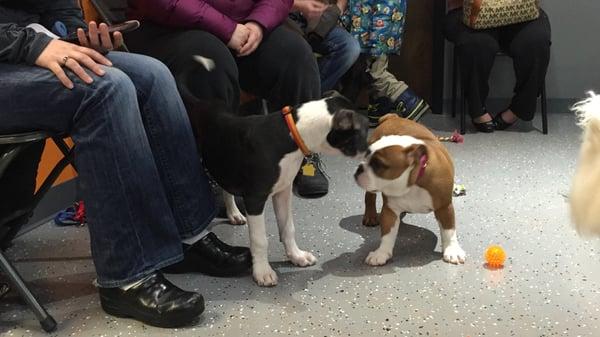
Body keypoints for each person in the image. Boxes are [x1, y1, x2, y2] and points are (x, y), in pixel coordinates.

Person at [0, 0, 252, 328]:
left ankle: (186, 236)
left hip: (31, 52)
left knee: (152, 75)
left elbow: (60, 10)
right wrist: (33, 46)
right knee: (105, 89)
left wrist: (79, 37)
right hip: (15, 55)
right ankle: (126, 274)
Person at [126, 0, 330, 199]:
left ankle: (305, 155)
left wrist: (258, 23)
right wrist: (226, 29)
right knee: (210, 63)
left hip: (244, 23)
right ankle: (216, 169)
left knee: (296, 55)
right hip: (168, 27)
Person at [444, 0, 551, 133]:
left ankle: (520, 108)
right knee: (476, 44)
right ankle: (477, 109)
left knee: (537, 40)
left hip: (521, 12)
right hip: (468, 11)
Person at [342, 0, 430, 126]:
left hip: (377, 17)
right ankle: (379, 107)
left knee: (374, 71)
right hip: (375, 16)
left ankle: (409, 101)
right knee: (367, 63)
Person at [289, 0, 361, 93]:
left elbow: (338, 5)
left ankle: (311, 93)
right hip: (285, 15)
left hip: (320, 18)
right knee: (296, 46)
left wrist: (338, 9)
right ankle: (298, 94)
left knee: (350, 47)